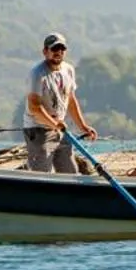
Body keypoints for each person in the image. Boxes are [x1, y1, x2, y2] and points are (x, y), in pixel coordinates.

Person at [23, 33, 98, 174]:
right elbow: (34, 108)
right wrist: (54, 123)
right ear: (45, 51)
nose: (58, 52)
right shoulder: (37, 73)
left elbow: (70, 99)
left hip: (59, 130)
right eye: (54, 49)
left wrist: (83, 126)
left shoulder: (68, 70)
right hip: (38, 130)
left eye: (62, 49)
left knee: (70, 171)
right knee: (41, 174)